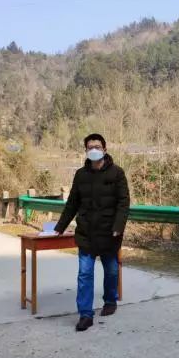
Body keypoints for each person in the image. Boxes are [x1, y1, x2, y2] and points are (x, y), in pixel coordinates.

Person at [54, 133, 130, 331]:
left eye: (97, 146)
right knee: (84, 274)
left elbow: (123, 203)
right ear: (86, 151)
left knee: (111, 271)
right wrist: (60, 226)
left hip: (109, 233)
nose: (94, 150)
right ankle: (85, 315)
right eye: (90, 147)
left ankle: (110, 301)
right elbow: (72, 203)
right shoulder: (81, 175)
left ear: (105, 149)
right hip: (86, 233)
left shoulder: (117, 173)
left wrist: (118, 227)